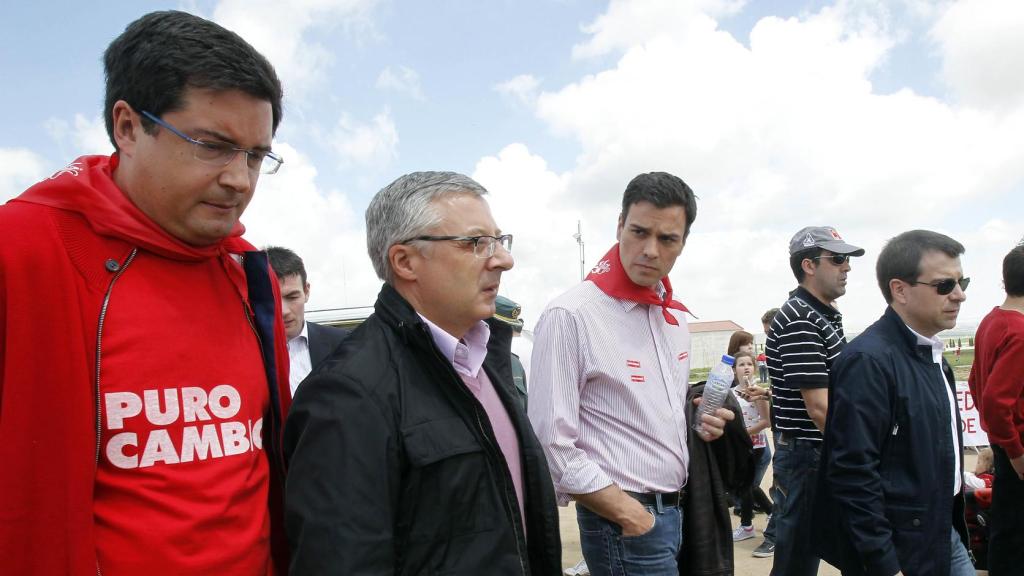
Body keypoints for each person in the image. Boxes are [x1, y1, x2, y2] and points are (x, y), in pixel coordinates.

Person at [0, 11, 291, 575]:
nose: (240, 179)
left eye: (257, 156)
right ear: (128, 127)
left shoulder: (249, 275)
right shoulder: (25, 252)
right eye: (213, 146)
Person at [283, 171, 562, 575]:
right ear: (405, 262)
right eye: (475, 242)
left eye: (499, 240)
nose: (503, 259)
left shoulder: (485, 358)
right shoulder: (350, 392)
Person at [528, 171, 735, 576]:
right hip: (625, 522)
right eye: (639, 232)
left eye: (667, 239)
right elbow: (550, 443)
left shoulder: (673, 320)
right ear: (619, 225)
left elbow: (662, 413)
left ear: (683, 243)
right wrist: (629, 514)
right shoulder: (570, 316)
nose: (650, 250)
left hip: (679, 510)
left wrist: (701, 420)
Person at [815, 229, 972, 576]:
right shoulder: (867, 362)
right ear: (900, 289)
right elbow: (852, 473)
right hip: (900, 546)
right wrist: (883, 563)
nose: (959, 295)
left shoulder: (931, 353)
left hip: (940, 530)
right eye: (945, 285)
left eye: (963, 283)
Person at [763, 226, 864, 571]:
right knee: (798, 559)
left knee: (852, 546)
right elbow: (820, 408)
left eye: (846, 259)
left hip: (820, 451)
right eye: (837, 259)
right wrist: (860, 450)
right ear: (808, 265)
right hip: (809, 455)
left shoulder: (821, 315)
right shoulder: (800, 318)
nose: (846, 267)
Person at [969, 242, 1024, 575]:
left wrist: (998, 440)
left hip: (1006, 445)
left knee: (1007, 529)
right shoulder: (1019, 331)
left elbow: (977, 383)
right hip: (1018, 449)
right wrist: (1015, 451)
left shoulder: (991, 320)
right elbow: (994, 399)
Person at [265, 245, 349, 396]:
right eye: (273, 299)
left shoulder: (344, 344)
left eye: (292, 297)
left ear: (306, 291)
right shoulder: (246, 352)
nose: (283, 311)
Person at [730, 350, 773, 542]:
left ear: (754, 368)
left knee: (747, 485)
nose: (746, 367)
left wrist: (745, 434)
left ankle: (747, 525)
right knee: (745, 485)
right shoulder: (730, 393)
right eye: (741, 364)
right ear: (734, 370)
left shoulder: (758, 391)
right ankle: (770, 514)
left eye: (749, 364)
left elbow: (766, 421)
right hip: (738, 447)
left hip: (755, 445)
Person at [494, 294, 529, 410]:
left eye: (509, 329)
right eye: (501, 328)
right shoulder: (472, 364)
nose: (507, 335)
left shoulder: (516, 364)